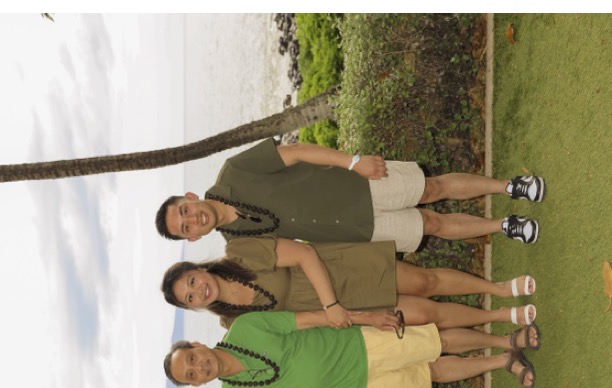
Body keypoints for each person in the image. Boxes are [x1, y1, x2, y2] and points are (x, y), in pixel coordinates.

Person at [154, 139, 544, 250]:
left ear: (189, 196)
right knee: (431, 225)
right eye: (186, 227)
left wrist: (353, 162)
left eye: (184, 210)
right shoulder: (238, 243)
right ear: (193, 238)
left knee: (433, 187)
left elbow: (297, 152)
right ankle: (504, 225)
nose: (193, 219)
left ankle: (510, 186)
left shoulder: (234, 171)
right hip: (355, 230)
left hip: (356, 184)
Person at [160, 236, 537, 330]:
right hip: (342, 314)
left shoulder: (239, 252)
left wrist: (331, 304)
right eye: (190, 297)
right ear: (194, 307)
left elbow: (304, 253)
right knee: (426, 314)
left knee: (426, 281)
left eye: (192, 281)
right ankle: (502, 316)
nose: (198, 290)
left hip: (337, 271)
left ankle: (500, 289)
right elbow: (297, 328)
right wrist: (350, 316)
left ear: (198, 268)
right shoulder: (233, 322)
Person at [163, 311, 539, 388]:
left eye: (191, 359)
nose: (198, 368)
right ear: (197, 385)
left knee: (432, 342)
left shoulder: (244, 328)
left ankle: (505, 339)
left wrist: (365, 318)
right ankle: (503, 362)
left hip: (355, 344)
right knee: (431, 375)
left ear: (197, 344)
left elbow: (309, 319)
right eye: (191, 375)